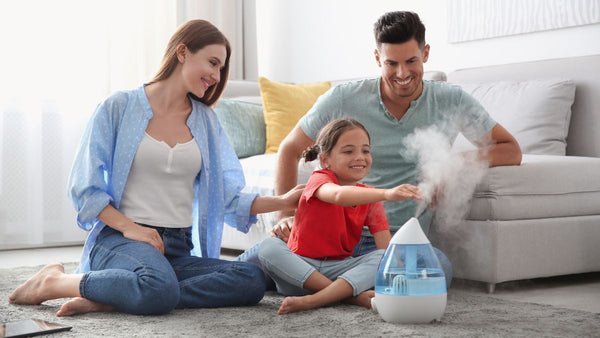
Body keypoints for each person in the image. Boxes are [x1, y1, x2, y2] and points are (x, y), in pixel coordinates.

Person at [8, 20, 303, 317]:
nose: (216, 76)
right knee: (159, 288)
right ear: (183, 52)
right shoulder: (118, 107)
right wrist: (132, 229)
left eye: (221, 69)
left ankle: (119, 295)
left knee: (251, 280)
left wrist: (283, 200)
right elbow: (86, 188)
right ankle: (56, 282)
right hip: (121, 239)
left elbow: (227, 197)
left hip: (175, 247)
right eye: (212, 63)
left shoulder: (206, 122)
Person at [238, 11, 521, 288]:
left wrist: (452, 163)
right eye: (391, 63)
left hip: (396, 241)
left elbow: (510, 150)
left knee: (438, 271)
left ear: (426, 53)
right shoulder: (344, 98)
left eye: (411, 61)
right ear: (377, 59)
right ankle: (346, 285)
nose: (402, 73)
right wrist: (285, 217)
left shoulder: (451, 100)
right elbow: (289, 149)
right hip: (327, 237)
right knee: (244, 273)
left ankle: (320, 283)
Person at [258, 118, 422, 314]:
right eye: (348, 151)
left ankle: (314, 300)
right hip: (299, 271)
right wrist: (387, 193)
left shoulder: (369, 197)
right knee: (268, 246)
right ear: (325, 160)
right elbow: (337, 195)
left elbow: (385, 249)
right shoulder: (319, 179)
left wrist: (402, 277)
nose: (360, 157)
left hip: (340, 270)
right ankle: (351, 298)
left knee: (384, 257)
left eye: (365, 150)